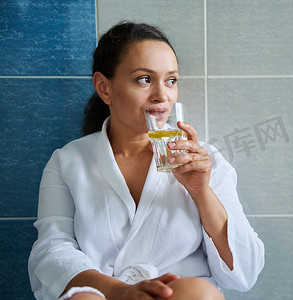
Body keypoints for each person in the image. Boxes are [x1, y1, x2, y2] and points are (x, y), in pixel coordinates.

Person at [28, 22, 264, 300]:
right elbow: (53, 251)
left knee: (199, 293)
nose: (162, 96)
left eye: (171, 80)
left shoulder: (204, 161)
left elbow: (244, 272)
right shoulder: (68, 161)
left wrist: (202, 191)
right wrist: (123, 291)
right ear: (104, 87)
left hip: (178, 292)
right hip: (106, 292)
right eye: (144, 79)